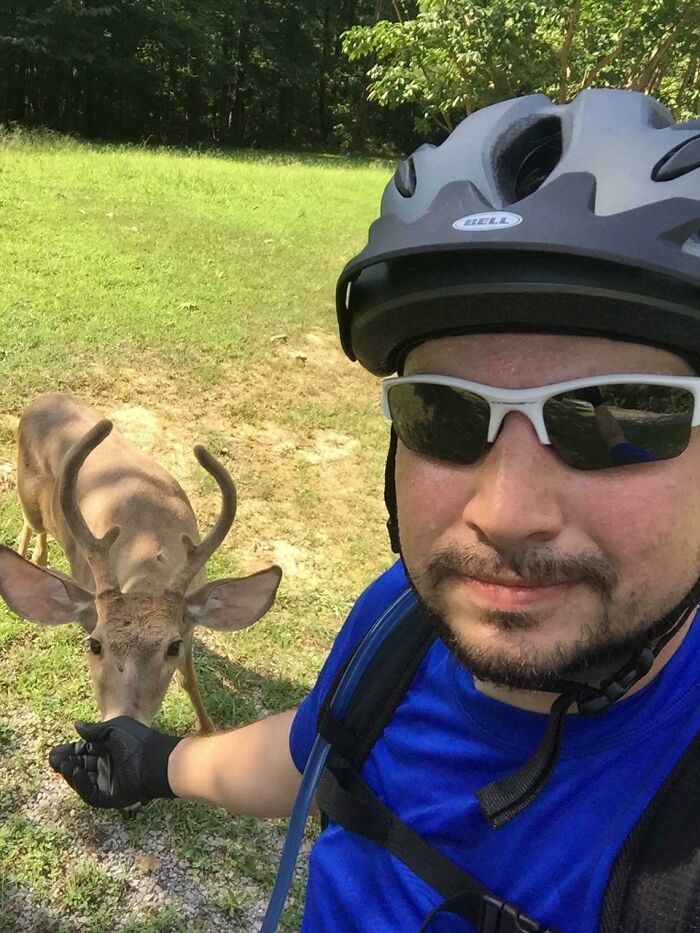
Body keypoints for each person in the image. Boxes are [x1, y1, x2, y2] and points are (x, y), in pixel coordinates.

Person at [48, 88, 700, 932]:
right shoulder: (403, 616)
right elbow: (322, 744)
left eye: (615, 416)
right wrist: (161, 761)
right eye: (443, 412)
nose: (505, 514)